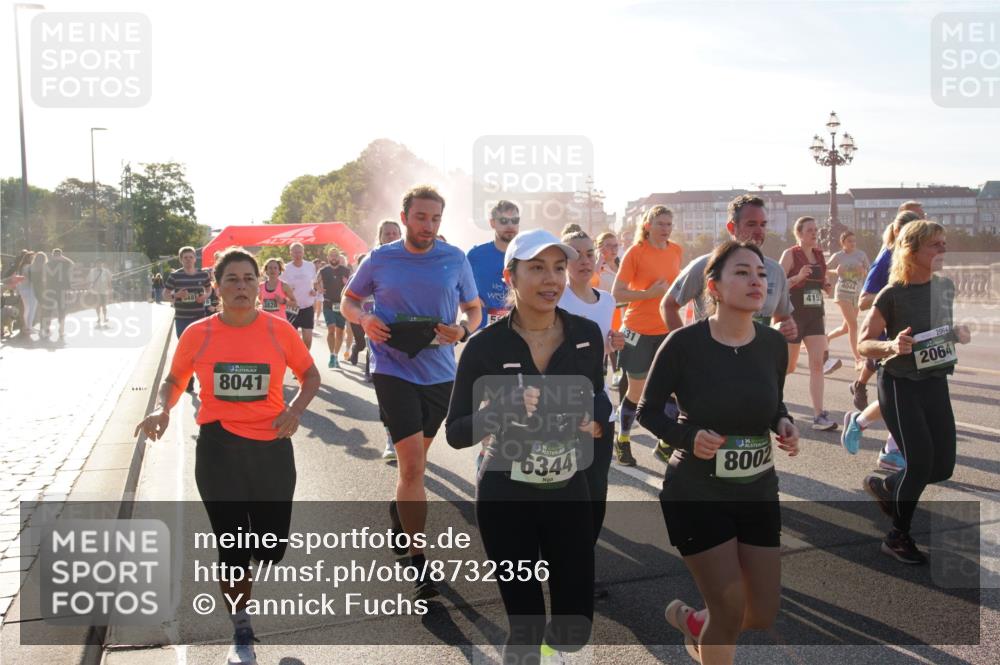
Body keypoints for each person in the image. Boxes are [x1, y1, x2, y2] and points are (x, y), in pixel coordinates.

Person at [135, 246, 320, 665]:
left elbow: (310, 374)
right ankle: (241, 631)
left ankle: (255, 555)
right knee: (232, 544)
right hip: (219, 449)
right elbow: (174, 378)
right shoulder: (198, 333)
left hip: (272, 448)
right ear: (216, 287)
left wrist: (295, 410)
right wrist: (163, 408)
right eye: (232, 279)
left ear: (260, 285)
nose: (242, 286)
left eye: (249, 279)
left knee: (270, 547)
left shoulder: (279, 330)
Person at [446, 228, 610, 665]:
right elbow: (456, 432)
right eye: (536, 268)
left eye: (558, 267)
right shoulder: (483, 347)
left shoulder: (587, 335)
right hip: (506, 496)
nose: (551, 278)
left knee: (575, 621)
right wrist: (498, 410)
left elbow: (598, 397)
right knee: (527, 623)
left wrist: (595, 419)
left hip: (570, 491)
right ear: (510, 277)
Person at [637, 240, 800, 665]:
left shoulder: (772, 344)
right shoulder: (683, 343)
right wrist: (687, 437)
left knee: (761, 613)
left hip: (758, 490)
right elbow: (647, 411)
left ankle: (698, 626)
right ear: (714, 285)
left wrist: (782, 424)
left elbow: (773, 403)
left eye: (761, 274)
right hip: (696, 493)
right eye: (742, 272)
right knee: (728, 611)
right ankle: (713, 635)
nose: (756, 281)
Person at [342, 186, 481, 599]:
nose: (428, 226)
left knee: (413, 466)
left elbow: (475, 309)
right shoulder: (380, 258)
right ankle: (420, 562)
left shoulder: (454, 258)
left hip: (440, 374)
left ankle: (398, 514)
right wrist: (365, 320)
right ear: (404, 217)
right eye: (421, 217)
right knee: (413, 467)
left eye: (436, 219)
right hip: (392, 368)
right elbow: (348, 301)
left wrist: (464, 330)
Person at [858, 220, 970, 564]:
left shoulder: (945, 287)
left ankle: (889, 487)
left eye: (944, 244)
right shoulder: (892, 294)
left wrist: (956, 334)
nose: (942, 250)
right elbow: (864, 344)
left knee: (942, 467)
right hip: (900, 384)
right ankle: (897, 536)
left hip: (935, 382)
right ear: (912, 250)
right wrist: (891, 345)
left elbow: (935, 335)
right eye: (935, 245)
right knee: (920, 463)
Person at [558, 230, 624, 599]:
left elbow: (604, 345)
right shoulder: (555, 298)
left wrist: (613, 343)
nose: (584, 260)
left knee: (597, 489)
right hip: (562, 404)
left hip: (598, 401)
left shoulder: (607, 300)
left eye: (588, 253)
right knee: (569, 489)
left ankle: (582, 561)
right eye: (575, 254)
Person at [844, 208, 922, 471]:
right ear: (899, 232)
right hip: (888, 340)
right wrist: (891, 297)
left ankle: (865, 427)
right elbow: (864, 300)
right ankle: (891, 449)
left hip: (913, 337)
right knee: (904, 397)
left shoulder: (921, 259)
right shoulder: (886, 257)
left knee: (906, 397)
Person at [611, 205, 683, 465]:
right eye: (661, 224)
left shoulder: (676, 250)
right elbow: (617, 293)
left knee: (675, 392)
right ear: (648, 225)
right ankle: (623, 440)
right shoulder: (636, 252)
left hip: (667, 329)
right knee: (637, 392)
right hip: (638, 330)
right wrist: (647, 295)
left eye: (669, 224)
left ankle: (664, 444)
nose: (666, 229)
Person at [779, 217, 837, 431]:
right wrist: (797, 277)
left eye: (816, 230)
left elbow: (821, 282)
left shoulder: (820, 255)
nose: (814, 233)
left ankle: (818, 415)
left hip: (814, 314)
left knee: (817, 365)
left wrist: (827, 286)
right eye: (810, 230)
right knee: (788, 366)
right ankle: (769, 403)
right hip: (794, 315)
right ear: (799, 233)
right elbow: (777, 284)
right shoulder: (791, 254)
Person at [467, 200, 519, 329]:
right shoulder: (475, 256)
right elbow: (456, 286)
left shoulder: (527, 256)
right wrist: (470, 299)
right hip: (482, 333)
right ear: (492, 223)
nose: (510, 225)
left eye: (515, 220)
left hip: (518, 333)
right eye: (503, 221)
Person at [826, 231, 870, 370]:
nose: (853, 243)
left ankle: (826, 338)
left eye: (854, 241)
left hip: (856, 294)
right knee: (853, 325)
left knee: (846, 328)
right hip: (842, 293)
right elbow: (824, 269)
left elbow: (869, 272)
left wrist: (863, 270)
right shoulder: (838, 256)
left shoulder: (861, 255)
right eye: (850, 241)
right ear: (843, 242)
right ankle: (858, 359)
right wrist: (836, 272)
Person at [317, 249, 353, 368]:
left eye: (336, 255)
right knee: (331, 329)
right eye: (331, 255)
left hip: (341, 304)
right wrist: (319, 288)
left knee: (340, 331)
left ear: (339, 257)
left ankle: (336, 355)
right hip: (328, 303)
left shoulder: (346, 270)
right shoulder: (323, 270)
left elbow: (354, 284)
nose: (333, 257)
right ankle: (332, 355)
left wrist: (347, 283)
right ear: (328, 257)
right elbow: (315, 282)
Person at [281, 242, 318, 350]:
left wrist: (314, 290)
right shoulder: (286, 268)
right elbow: (281, 287)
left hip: (307, 307)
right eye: (295, 252)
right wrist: (287, 292)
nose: (298, 255)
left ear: (303, 253)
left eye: (300, 252)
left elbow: (314, 282)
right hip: (292, 308)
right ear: (291, 253)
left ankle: (305, 362)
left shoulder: (310, 266)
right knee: (291, 338)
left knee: (308, 338)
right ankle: (294, 361)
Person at [45, 249, 74, 341]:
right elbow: (72, 263)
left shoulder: (49, 264)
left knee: (51, 309)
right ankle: (60, 330)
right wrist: (63, 258)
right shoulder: (63, 264)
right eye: (57, 255)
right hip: (58, 290)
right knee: (60, 309)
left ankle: (51, 329)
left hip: (52, 290)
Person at [12, 251, 35, 338]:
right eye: (32, 257)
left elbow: (18, 280)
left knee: (26, 309)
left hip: (22, 290)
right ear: (29, 258)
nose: (33, 259)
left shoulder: (21, 267)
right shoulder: (29, 267)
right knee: (30, 309)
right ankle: (29, 327)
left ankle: (26, 327)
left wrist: (17, 290)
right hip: (29, 290)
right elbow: (32, 279)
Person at [88, 259, 113, 329]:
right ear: (96, 264)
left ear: (102, 264)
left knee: (104, 305)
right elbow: (90, 281)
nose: (99, 264)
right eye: (98, 263)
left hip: (104, 291)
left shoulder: (106, 271)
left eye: (100, 263)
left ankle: (105, 317)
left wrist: (110, 289)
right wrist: (90, 289)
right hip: (96, 291)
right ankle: (99, 317)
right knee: (97, 305)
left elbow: (109, 281)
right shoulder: (92, 271)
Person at [29, 252, 51, 334]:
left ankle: (42, 327)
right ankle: (45, 327)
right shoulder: (45, 267)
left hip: (36, 290)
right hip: (45, 290)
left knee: (42, 309)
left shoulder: (32, 267)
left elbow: (31, 280)